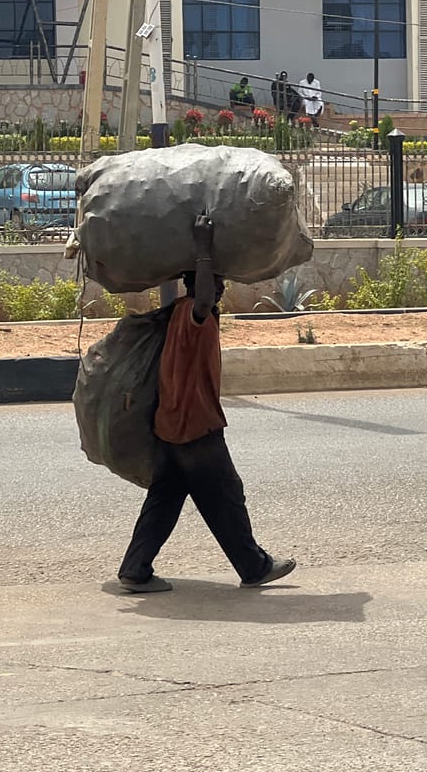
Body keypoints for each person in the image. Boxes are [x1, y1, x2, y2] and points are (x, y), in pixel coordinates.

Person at [118, 215, 297, 593]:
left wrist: (203, 261)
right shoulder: (194, 316)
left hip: (169, 427)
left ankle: (135, 569)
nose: (220, 290)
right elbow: (201, 297)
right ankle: (253, 567)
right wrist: (203, 247)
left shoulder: (179, 316)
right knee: (227, 495)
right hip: (195, 428)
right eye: (217, 283)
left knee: (164, 499)